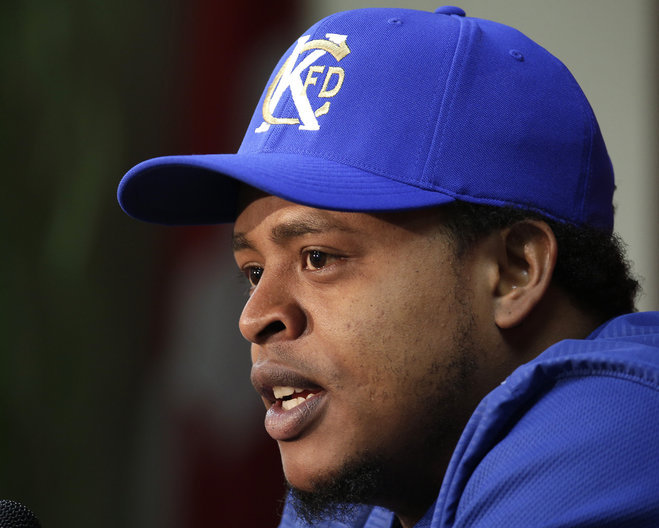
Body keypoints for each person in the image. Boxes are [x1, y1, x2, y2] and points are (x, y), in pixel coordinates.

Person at [117, 6, 659, 528]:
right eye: (254, 272)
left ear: (514, 270)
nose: (255, 318)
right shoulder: (376, 484)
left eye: (318, 258)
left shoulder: (624, 429)